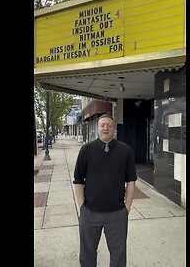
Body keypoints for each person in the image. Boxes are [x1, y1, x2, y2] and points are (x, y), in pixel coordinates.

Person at [73, 114, 137, 267]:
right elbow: (78, 180)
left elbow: (131, 181)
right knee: (87, 254)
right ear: (98, 128)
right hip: (90, 212)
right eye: (102, 125)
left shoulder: (125, 151)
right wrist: (82, 207)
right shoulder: (86, 150)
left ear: (114, 129)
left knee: (118, 255)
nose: (105, 128)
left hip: (117, 214)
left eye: (109, 125)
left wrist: (126, 208)